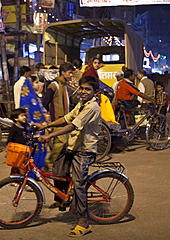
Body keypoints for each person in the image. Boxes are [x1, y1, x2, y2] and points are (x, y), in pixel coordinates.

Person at [36, 76, 101, 238]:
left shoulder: (92, 107)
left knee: (79, 184)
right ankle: (62, 198)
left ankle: (84, 222)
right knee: (58, 168)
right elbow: (66, 118)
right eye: (82, 88)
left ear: (94, 92)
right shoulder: (81, 103)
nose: (83, 91)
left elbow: (72, 125)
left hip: (84, 150)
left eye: (88, 89)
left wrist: (49, 135)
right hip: (73, 146)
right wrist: (47, 125)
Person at [42, 62, 74, 172]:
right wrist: (49, 114)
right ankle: (48, 164)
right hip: (58, 119)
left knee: (61, 143)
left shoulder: (64, 85)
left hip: (65, 119)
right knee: (61, 142)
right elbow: (45, 102)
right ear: (63, 73)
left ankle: (56, 164)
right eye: (69, 73)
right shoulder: (54, 85)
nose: (71, 75)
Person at [7, 109, 28, 174]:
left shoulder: (24, 127)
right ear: (16, 118)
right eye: (22, 116)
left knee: (21, 164)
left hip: (23, 149)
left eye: (25, 115)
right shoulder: (14, 128)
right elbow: (9, 139)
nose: (24, 117)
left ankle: (20, 179)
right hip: (16, 150)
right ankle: (16, 179)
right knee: (17, 165)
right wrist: (7, 150)